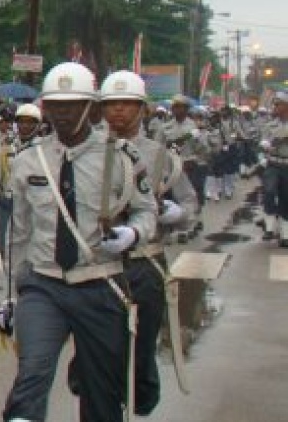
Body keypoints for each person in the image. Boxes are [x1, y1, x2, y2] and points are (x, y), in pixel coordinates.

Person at [1, 62, 156, 422]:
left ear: (91, 106)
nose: (63, 112)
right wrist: (9, 293)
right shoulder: (28, 159)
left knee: (101, 391)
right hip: (43, 285)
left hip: (99, 283)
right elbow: (18, 234)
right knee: (31, 376)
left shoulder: (120, 157)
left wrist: (132, 233)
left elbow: (146, 211)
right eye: (55, 105)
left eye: (72, 104)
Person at [95, 70, 197, 418]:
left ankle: (139, 397)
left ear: (143, 109)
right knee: (98, 351)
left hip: (144, 261)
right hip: (98, 264)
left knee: (140, 351)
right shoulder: (84, 151)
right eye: (112, 104)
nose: (119, 111)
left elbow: (190, 205)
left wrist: (174, 212)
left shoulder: (160, 155)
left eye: (128, 104)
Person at [0, 104, 42, 254]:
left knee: (33, 247)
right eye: (21, 121)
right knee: (5, 247)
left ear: (38, 124)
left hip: (34, 204)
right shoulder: (7, 147)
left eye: (30, 122)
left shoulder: (44, 148)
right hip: (8, 202)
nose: (25, 126)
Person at [260, 92, 288, 246]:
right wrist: (264, 144)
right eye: (275, 104)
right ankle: (269, 227)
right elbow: (263, 140)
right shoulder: (270, 124)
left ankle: (285, 235)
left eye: (279, 104)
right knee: (269, 191)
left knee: (286, 198)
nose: (275, 107)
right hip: (273, 163)